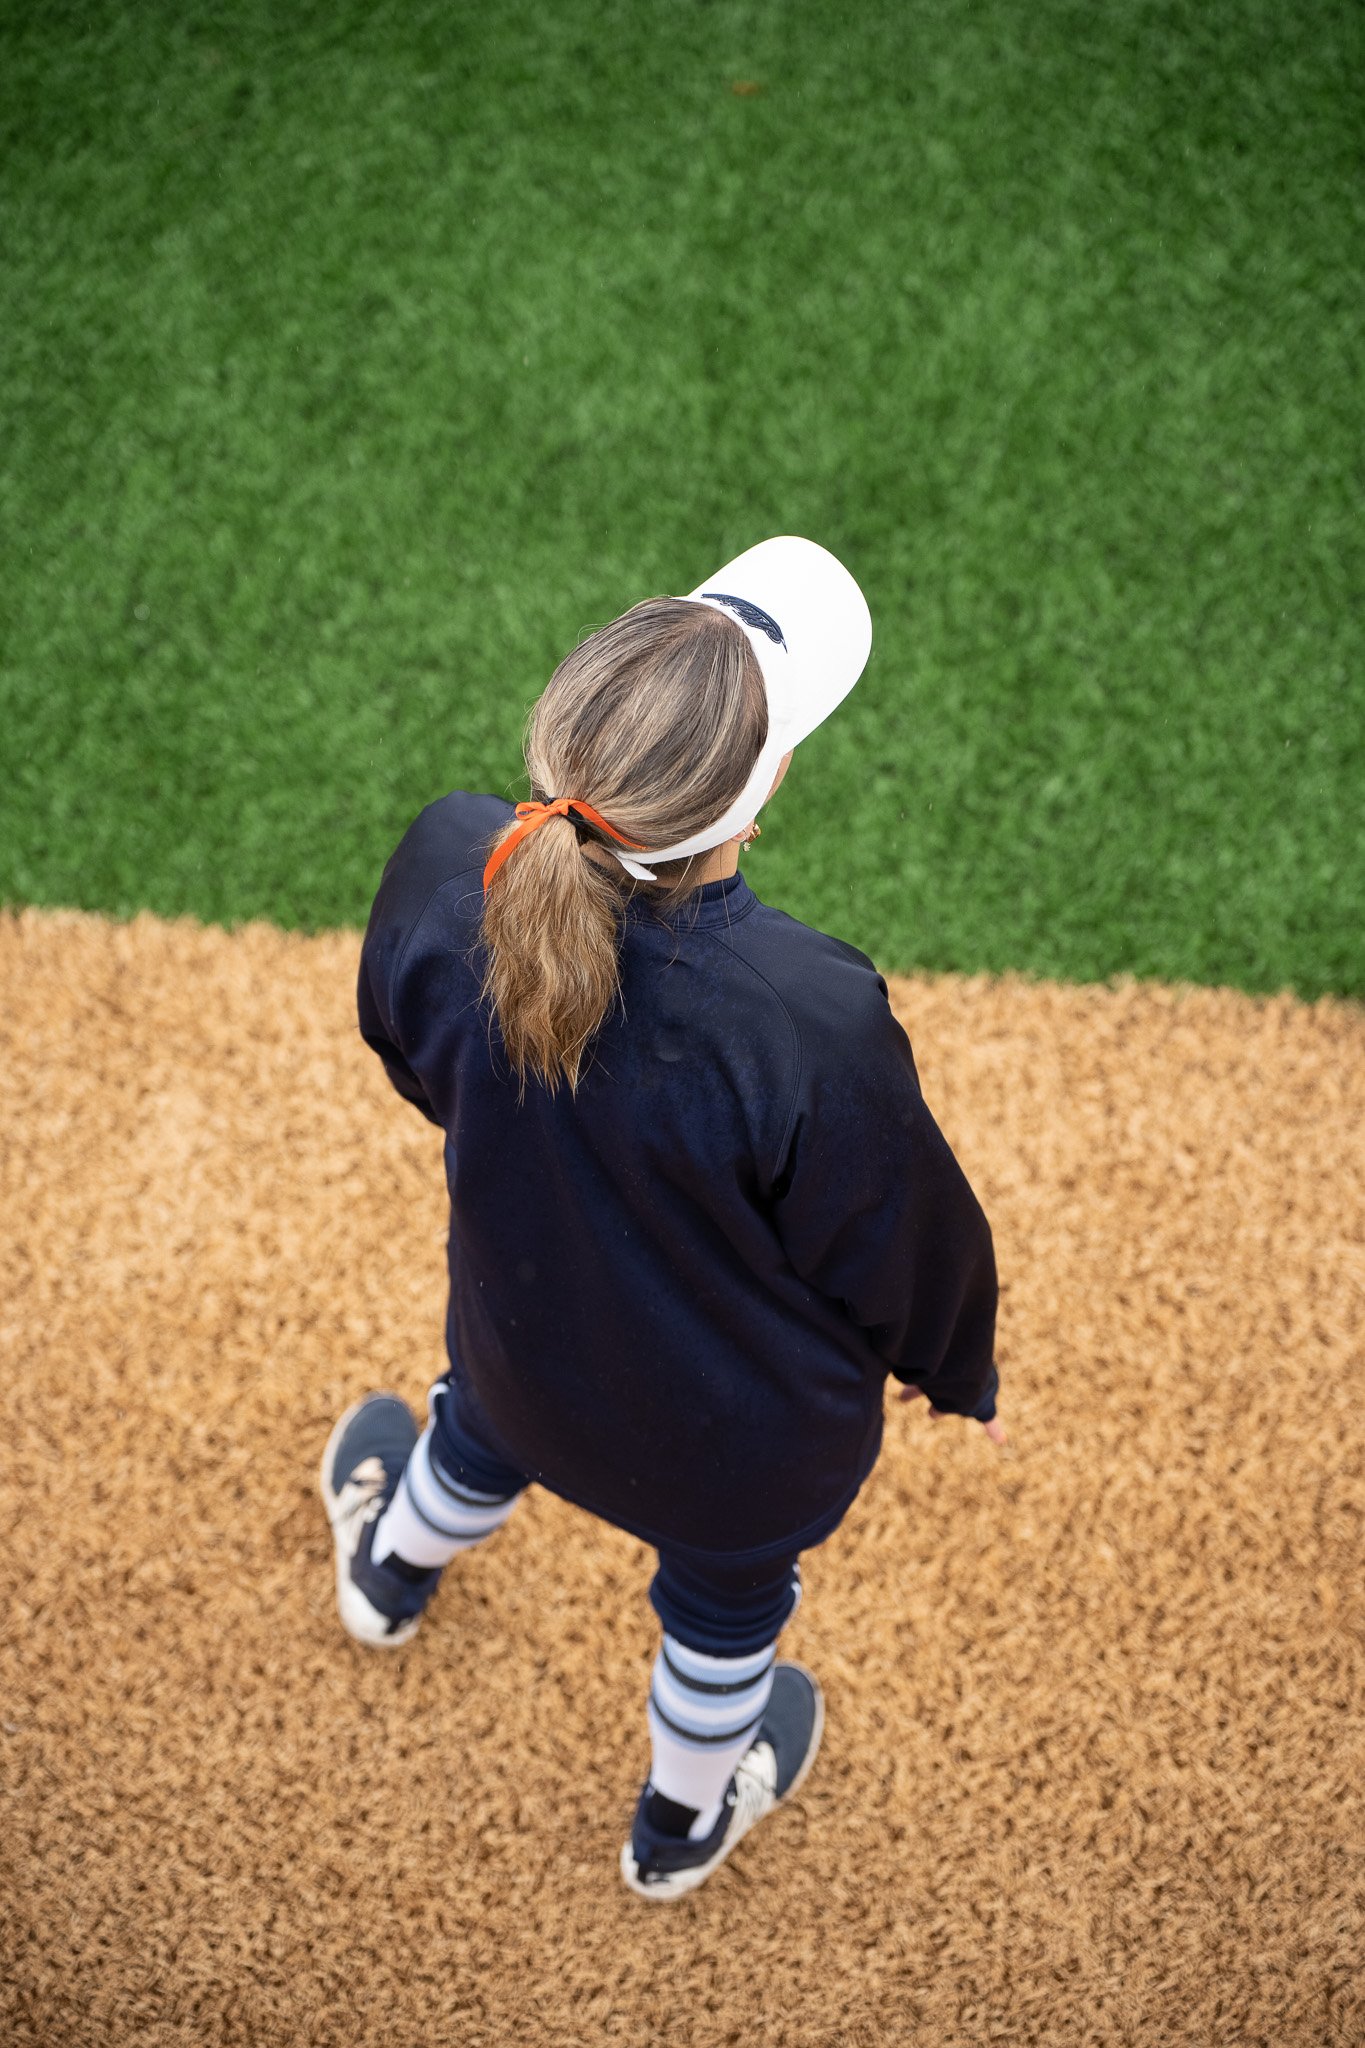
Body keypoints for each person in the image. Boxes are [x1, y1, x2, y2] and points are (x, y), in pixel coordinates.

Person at [319, 536, 1005, 1902]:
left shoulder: (457, 850)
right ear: (767, 785)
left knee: (473, 1430)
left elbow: (409, 1054)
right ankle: (678, 1831)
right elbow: (897, 1252)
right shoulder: (808, 1015)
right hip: (738, 1450)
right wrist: (952, 1367)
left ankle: (387, 1575)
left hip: (519, 1346)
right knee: (725, 1612)